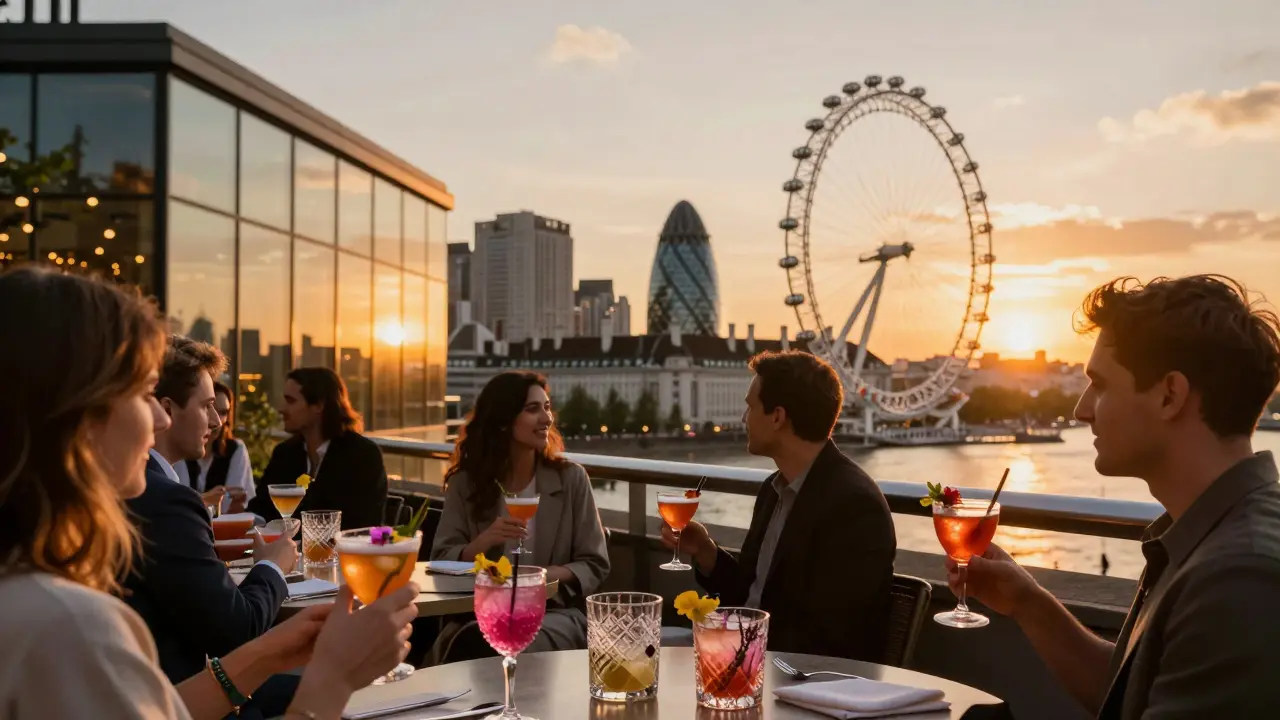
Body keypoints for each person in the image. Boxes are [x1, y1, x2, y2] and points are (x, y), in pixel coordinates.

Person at [0, 267, 419, 720]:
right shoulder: (69, 627)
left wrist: (267, 655)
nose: (160, 421)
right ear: (78, 417)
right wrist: (333, 679)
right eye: (143, 394)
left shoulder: (30, 596)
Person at [952, 275, 1280, 719]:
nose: (1080, 409)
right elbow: (1133, 694)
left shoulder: (1239, 579)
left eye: (1101, 385)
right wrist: (1026, 603)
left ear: (1170, 395)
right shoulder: (1211, 537)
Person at [661, 350, 896, 662]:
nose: (744, 418)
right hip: (750, 654)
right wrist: (706, 551)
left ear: (777, 417)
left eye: (750, 406)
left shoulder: (853, 505)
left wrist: (727, 642)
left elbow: (833, 635)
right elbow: (752, 594)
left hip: (799, 676)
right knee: (648, 641)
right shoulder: (774, 488)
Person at [124, 336, 300, 700]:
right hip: (184, 696)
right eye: (206, 406)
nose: (217, 420)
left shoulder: (133, 490)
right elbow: (237, 629)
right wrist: (273, 567)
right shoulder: (166, 501)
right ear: (167, 410)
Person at [432, 371, 610, 652]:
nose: (547, 419)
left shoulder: (571, 479)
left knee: (497, 639)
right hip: (477, 614)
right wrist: (483, 543)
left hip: (553, 615)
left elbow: (595, 563)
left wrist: (537, 577)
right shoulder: (466, 483)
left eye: (547, 407)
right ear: (503, 421)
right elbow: (441, 560)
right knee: (478, 638)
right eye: (532, 409)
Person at [252, 368, 388, 530]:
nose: (281, 408)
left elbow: (363, 524)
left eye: (290, 401)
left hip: (341, 553)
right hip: (283, 553)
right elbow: (261, 508)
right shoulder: (285, 453)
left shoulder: (362, 455)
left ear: (318, 405)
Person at [175, 381, 254, 515]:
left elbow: (233, 504)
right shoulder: (180, 448)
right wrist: (208, 499)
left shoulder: (235, 449)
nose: (217, 420)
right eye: (209, 409)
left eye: (223, 412)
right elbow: (178, 504)